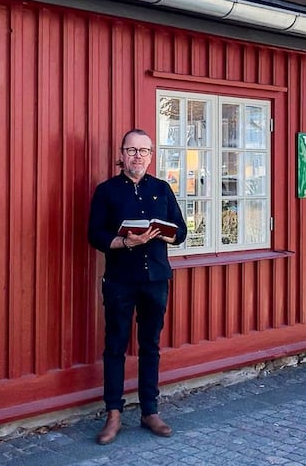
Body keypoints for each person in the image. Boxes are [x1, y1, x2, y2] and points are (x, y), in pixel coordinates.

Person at [88, 129, 187, 445]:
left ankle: (149, 411)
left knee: (150, 345)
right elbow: (94, 234)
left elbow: (181, 231)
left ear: (151, 154)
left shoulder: (162, 189)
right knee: (115, 346)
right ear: (121, 154)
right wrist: (123, 241)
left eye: (144, 150)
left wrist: (164, 234)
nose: (137, 156)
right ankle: (113, 413)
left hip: (156, 279)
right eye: (131, 150)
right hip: (119, 280)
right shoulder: (106, 191)